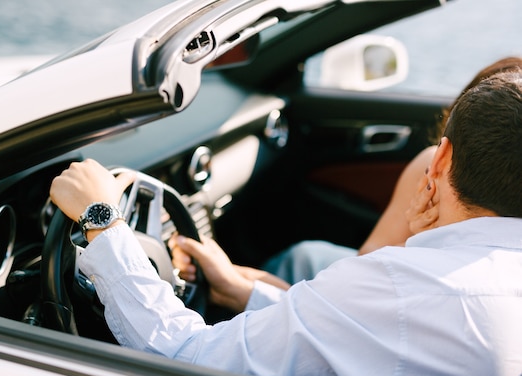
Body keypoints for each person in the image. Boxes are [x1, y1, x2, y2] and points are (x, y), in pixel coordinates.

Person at [49, 71, 522, 376]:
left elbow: (183, 357)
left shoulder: (396, 285)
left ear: (440, 159)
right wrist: (245, 294)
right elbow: (387, 331)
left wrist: (102, 221)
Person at [191, 56, 522, 298]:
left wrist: (249, 295)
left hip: (386, 297)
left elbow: (366, 289)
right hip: (391, 293)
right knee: (305, 257)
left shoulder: (431, 168)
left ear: (444, 155)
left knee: (300, 258)